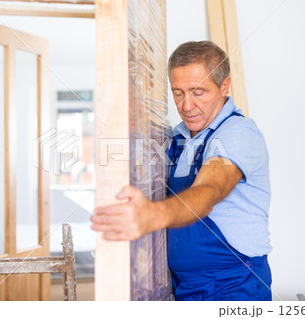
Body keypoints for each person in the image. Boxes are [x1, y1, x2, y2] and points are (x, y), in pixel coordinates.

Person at [90, 41, 272, 301]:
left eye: (198, 92)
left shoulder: (238, 134)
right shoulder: (177, 138)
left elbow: (210, 189)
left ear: (224, 86)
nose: (186, 106)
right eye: (178, 93)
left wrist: (151, 215)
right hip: (183, 287)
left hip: (234, 285)